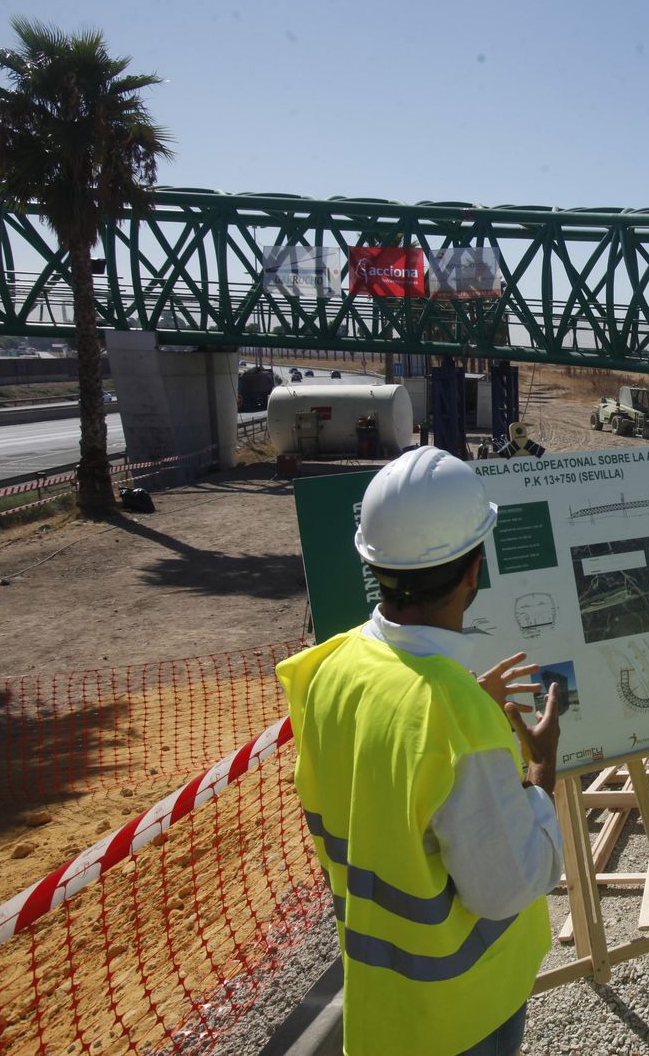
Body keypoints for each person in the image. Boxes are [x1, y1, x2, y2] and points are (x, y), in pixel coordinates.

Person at [279, 446, 564, 1056]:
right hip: (459, 1011)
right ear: (472, 573)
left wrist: (464, 702)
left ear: (374, 565)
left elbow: (386, 770)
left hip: (382, 994)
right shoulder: (458, 720)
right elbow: (507, 886)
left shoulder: (332, 665)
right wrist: (541, 774)